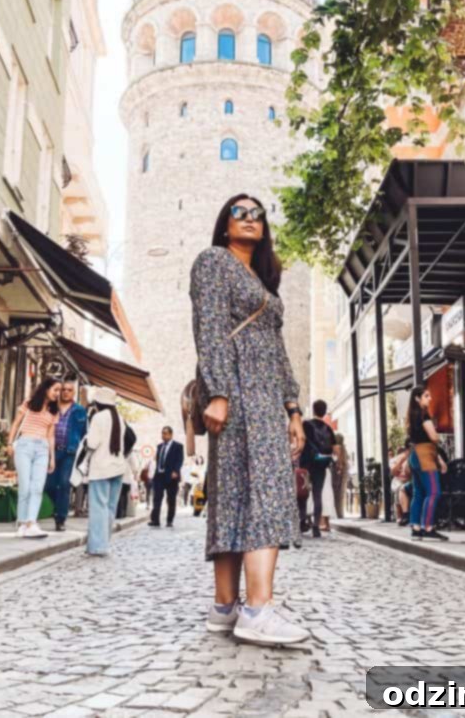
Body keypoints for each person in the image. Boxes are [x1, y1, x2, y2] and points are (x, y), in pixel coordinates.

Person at [190, 194, 310, 646]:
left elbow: (278, 353)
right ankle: (258, 609)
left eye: (257, 214)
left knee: (240, 494)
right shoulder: (213, 262)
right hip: (238, 393)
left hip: (265, 397)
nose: (249, 218)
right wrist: (218, 391)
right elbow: (210, 328)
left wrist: (293, 408)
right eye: (239, 211)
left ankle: (225, 608)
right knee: (262, 492)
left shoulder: (261, 279)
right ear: (224, 224)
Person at [7, 377, 60, 539]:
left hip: (42, 449)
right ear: (46, 388)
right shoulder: (29, 404)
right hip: (24, 445)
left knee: (37, 487)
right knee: (25, 486)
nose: (58, 394)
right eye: (55, 390)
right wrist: (9, 443)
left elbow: (51, 436)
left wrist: (52, 458)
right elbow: (16, 423)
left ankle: (31, 522)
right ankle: (22, 523)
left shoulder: (53, 411)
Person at [85, 390, 133, 557]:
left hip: (101, 468)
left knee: (98, 507)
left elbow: (92, 443)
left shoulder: (98, 418)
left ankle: (97, 546)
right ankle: (104, 542)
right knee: (110, 508)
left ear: (98, 403)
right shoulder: (119, 418)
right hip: (118, 467)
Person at [44, 375, 86, 532]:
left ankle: (60, 518)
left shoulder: (80, 410)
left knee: (64, 484)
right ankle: (59, 506)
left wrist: (80, 453)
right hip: (51, 451)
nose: (66, 392)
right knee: (48, 485)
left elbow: (84, 434)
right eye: (63, 390)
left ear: (73, 393)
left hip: (69, 452)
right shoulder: (51, 407)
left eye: (69, 390)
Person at [406, 386, 448, 541]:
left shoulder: (412, 415)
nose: (430, 398)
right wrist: (438, 436)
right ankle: (428, 527)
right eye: (426, 396)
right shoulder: (424, 415)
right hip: (424, 455)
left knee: (419, 493)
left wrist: (440, 459)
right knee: (434, 492)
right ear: (417, 398)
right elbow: (433, 438)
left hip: (415, 455)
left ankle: (416, 528)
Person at [300, 400, 337, 538]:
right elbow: (334, 448)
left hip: (306, 464)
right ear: (324, 411)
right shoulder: (328, 428)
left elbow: (301, 440)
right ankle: (316, 526)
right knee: (317, 495)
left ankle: (302, 521)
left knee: (303, 495)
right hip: (321, 464)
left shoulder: (306, 424)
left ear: (314, 410)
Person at [149, 427, 184, 528]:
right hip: (159, 475)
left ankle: (169, 520)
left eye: (165, 433)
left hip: (171, 476)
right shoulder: (160, 446)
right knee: (157, 498)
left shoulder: (178, 446)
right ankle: (155, 520)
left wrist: (176, 471)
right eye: (162, 433)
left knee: (171, 499)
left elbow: (180, 460)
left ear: (171, 434)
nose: (163, 436)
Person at [331, 433, 349, 519]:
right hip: (343, 473)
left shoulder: (336, 448)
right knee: (340, 494)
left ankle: (337, 513)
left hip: (337, 472)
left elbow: (338, 460)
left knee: (336, 493)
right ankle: (340, 513)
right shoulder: (343, 448)